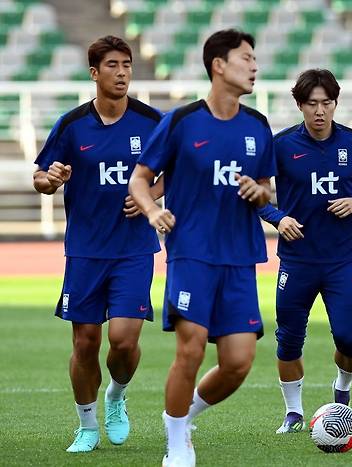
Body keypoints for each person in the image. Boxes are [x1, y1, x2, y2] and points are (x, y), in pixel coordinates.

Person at [128, 29, 275, 467]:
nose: (254, 66)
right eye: (246, 58)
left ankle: (183, 414)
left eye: (255, 58)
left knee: (238, 362)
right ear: (218, 65)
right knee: (190, 348)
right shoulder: (180, 121)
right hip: (191, 253)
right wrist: (154, 212)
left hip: (240, 256)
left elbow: (268, 188)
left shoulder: (258, 126)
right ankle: (176, 446)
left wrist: (259, 192)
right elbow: (139, 180)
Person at [32, 35, 163, 453]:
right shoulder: (71, 125)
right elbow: (40, 177)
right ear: (94, 72)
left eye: (127, 64)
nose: (122, 72)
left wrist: (150, 195)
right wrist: (50, 181)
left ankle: (116, 397)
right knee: (85, 341)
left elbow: (180, 169)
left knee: (124, 341)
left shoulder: (152, 121)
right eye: (112, 65)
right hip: (86, 250)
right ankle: (87, 426)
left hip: (134, 249)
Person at [258, 68, 352, 433]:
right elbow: (258, 196)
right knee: (289, 338)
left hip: (343, 258)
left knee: (348, 337)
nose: (319, 111)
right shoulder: (281, 145)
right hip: (296, 260)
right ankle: (294, 413)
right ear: (299, 105)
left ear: (335, 103)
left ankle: (341, 393)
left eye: (326, 103)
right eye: (311, 103)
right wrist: (278, 219)